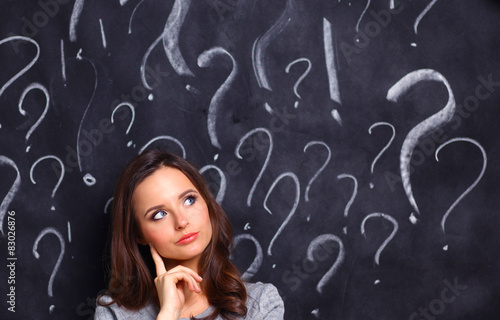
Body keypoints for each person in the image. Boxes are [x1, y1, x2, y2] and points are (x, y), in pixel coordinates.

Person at [95, 149, 284, 320]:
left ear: (207, 203)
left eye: (189, 200)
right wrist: (169, 313)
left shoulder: (260, 305)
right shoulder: (114, 313)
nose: (182, 221)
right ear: (139, 235)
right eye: (159, 214)